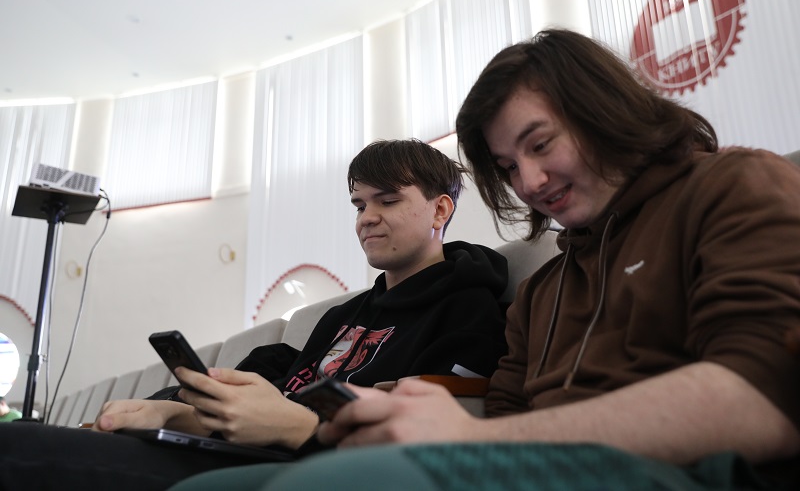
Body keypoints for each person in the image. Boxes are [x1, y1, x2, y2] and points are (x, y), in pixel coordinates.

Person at [173, 29, 800, 490]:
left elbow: (763, 397)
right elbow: (503, 416)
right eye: (507, 166)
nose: (529, 182)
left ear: (603, 109)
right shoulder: (545, 290)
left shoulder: (733, 186)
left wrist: (472, 438)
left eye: (540, 144)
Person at [0, 139, 509, 490]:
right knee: (25, 439)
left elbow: (424, 442)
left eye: (388, 201)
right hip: (244, 451)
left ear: (440, 210)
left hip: (309, 466)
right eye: (358, 205)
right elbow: (276, 397)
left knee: (19, 450)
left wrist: (295, 425)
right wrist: (179, 412)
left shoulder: (467, 308)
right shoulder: (344, 314)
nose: (366, 218)